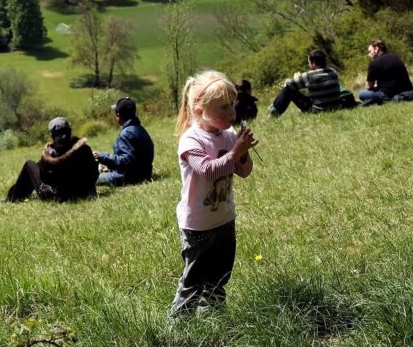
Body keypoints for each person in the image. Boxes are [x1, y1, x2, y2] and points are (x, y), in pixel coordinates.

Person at [169, 71, 257, 317]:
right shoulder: (191, 140)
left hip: (224, 218)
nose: (232, 113)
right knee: (195, 279)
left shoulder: (228, 136)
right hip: (198, 225)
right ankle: (179, 323)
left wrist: (243, 152)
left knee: (220, 274)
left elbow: (244, 171)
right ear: (199, 109)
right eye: (223, 107)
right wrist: (234, 152)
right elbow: (207, 171)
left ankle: (215, 315)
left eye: (232, 105)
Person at [5, 117, 98, 202]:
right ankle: (17, 193)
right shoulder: (84, 148)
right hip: (83, 193)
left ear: (52, 135)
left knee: (29, 165)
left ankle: (13, 198)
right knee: (37, 165)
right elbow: (95, 172)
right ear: (69, 130)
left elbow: (44, 177)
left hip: (59, 196)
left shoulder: (52, 154)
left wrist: (46, 156)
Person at [93, 96, 154, 187]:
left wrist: (102, 156)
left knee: (92, 179)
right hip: (144, 174)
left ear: (118, 115)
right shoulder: (140, 129)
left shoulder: (126, 133)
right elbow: (133, 159)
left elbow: (126, 160)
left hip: (129, 177)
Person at [267, 49, 345, 117]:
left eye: (309, 62)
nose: (308, 65)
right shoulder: (333, 72)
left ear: (313, 62)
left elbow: (288, 84)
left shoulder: (309, 76)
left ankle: (273, 114)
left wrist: (296, 77)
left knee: (287, 90)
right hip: (336, 107)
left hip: (318, 111)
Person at [359, 40, 413, 104]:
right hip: (406, 90)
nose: (369, 54)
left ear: (376, 49)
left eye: (370, 51)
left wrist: (375, 86)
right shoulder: (395, 57)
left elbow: (369, 87)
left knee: (362, 93)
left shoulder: (374, 63)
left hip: (389, 94)